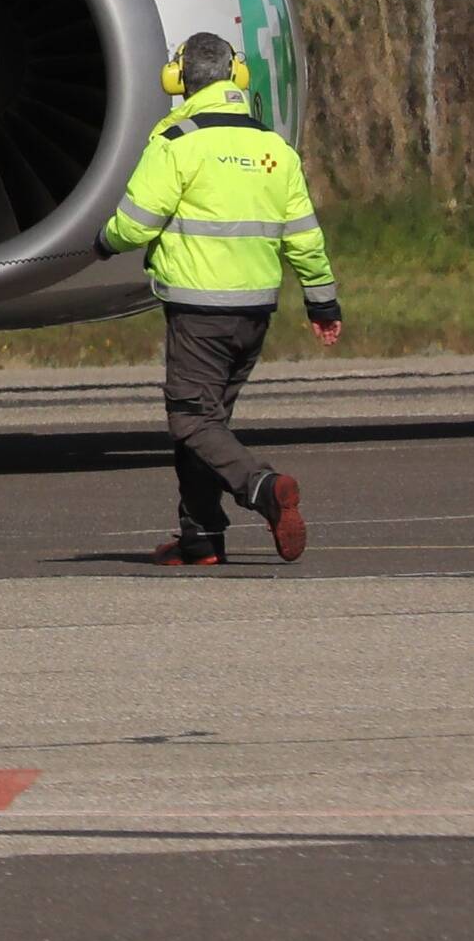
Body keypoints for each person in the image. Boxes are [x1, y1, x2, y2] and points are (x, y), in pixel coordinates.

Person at [101, 31, 339, 566]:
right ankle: (202, 538)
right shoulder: (274, 149)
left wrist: (102, 241)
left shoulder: (176, 143)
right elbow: (305, 238)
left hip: (198, 313)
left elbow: (135, 225)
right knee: (208, 425)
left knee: (190, 421)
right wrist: (323, 303)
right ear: (237, 77)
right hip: (254, 314)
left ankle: (263, 488)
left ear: (177, 80)